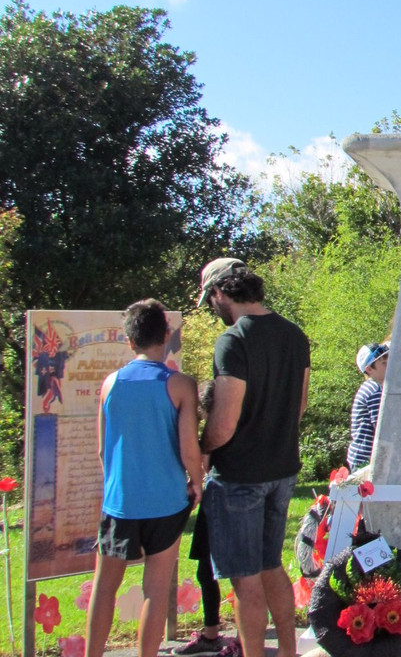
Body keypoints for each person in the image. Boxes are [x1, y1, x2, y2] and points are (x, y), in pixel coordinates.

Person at [197, 258, 310, 657]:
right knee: (271, 565)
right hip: (283, 469)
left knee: (245, 579)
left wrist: (201, 448)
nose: (213, 307)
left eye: (211, 298)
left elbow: (223, 423)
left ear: (221, 292)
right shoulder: (294, 335)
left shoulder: (233, 340)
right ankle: (288, 651)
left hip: (239, 475)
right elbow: (300, 405)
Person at [86, 300, 202, 657]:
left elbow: (103, 450)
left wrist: (118, 485)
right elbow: (188, 450)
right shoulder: (181, 385)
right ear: (166, 335)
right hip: (166, 500)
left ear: (129, 339)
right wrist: (196, 482)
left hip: (120, 500)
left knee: (104, 586)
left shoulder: (110, 384)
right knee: (155, 587)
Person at [174, 383, 236, 657]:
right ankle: (214, 633)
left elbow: (205, 463)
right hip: (218, 502)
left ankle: (237, 639)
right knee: (208, 570)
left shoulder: (217, 432)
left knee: (235, 575)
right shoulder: (230, 427)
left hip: (223, 504)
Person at [347, 342, 390, 471]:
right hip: (365, 461)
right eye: (383, 363)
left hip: (363, 458)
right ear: (369, 369)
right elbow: (382, 427)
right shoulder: (374, 391)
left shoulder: (373, 387)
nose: (389, 365)